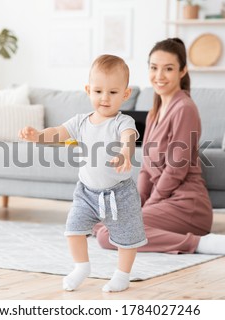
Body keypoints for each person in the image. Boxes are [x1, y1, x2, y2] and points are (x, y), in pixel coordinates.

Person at [94, 38, 225, 257]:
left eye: (168, 69)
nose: (159, 76)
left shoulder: (184, 108)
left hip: (186, 204)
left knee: (108, 234)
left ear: (182, 71)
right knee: (99, 222)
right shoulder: (154, 112)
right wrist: (135, 204)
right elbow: (147, 170)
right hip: (163, 201)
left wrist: (148, 206)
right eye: (154, 68)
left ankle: (199, 243)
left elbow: (176, 169)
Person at [19, 54, 147, 292]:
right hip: (87, 192)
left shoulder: (123, 122)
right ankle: (81, 267)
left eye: (113, 92)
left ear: (125, 95)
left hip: (119, 195)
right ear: (88, 90)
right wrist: (38, 136)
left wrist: (125, 153)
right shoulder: (80, 121)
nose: (104, 98)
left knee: (128, 238)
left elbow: (128, 138)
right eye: (98, 91)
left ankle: (122, 275)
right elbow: (58, 133)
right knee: (73, 229)